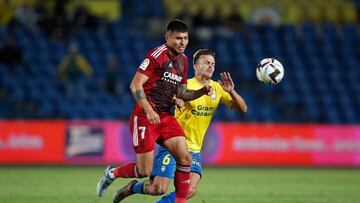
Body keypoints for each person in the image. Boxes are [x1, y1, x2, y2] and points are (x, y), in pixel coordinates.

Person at [96, 19, 213, 203]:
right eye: (178, 38)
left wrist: (200, 92)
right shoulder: (157, 55)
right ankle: (112, 173)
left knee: (185, 158)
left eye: (186, 38)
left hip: (166, 117)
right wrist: (149, 110)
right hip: (144, 117)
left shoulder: (183, 61)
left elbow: (182, 91)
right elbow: (135, 84)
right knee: (144, 171)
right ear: (167, 38)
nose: (182, 42)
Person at [112, 49, 248, 203]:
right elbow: (174, 98)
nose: (210, 66)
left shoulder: (217, 88)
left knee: (190, 190)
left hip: (195, 149)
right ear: (195, 67)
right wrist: (178, 100)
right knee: (158, 188)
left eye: (213, 64)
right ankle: (132, 188)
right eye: (206, 63)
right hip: (174, 144)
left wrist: (232, 91)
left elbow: (243, 108)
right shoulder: (184, 85)